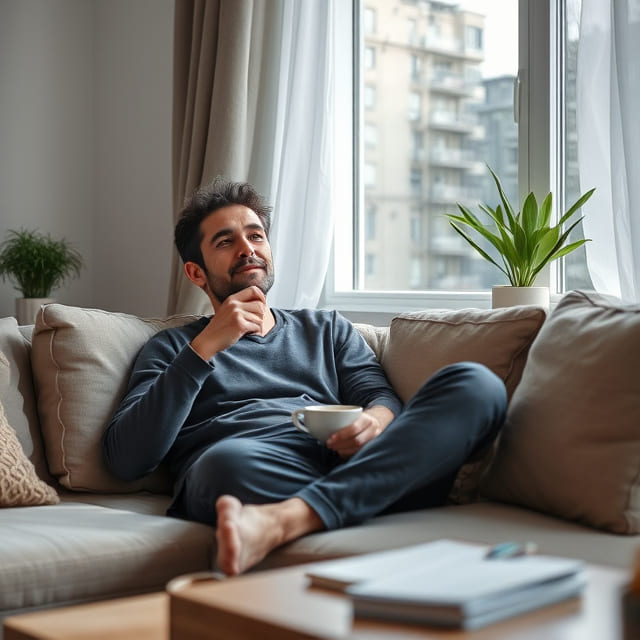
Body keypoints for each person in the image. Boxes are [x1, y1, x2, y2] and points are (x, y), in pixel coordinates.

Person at [102, 177, 507, 577]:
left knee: (476, 385)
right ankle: (371, 498)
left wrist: (373, 424)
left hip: (346, 459)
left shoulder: (326, 329)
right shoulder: (173, 348)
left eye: (256, 236)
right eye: (226, 242)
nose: (248, 249)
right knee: (222, 466)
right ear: (196, 273)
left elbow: (381, 398)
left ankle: (288, 519)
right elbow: (127, 459)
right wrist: (205, 348)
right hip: (261, 468)